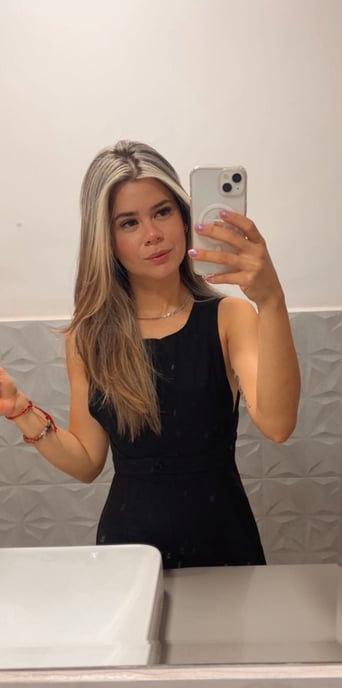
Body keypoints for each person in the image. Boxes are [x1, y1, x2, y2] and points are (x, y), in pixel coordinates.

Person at [0, 140, 300, 569]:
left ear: (184, 217)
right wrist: (19, 409)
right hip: (129, 554)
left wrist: (271, 300)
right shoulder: (89, 338)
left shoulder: (229, 318)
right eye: (129, 223)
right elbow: (87, 461)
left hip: (223, 544)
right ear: (106, 240)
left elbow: (278, 424)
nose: (153, 234)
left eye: (162, 212)